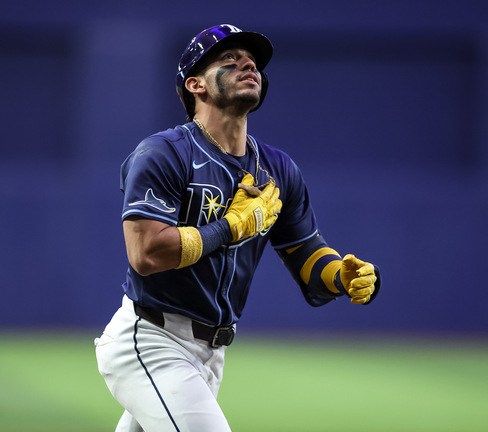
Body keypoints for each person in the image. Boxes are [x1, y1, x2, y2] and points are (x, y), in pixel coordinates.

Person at [95, 24, 381, 432]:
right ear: (195, 84)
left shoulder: (278, 169)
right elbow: (145, 254)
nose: (248, 65)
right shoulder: (163, 153)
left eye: (253, 63)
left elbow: (306, 254)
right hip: (153, 340)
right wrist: (229, 228)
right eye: (229, 61)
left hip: (212, 354)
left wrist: (341, 276)